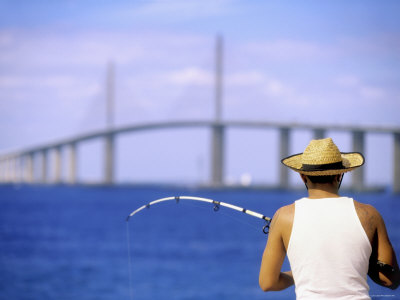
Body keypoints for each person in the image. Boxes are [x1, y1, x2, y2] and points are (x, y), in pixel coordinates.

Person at [259, 137, 399, 299]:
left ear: (303, 176)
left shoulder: (283, 216)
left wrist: (299, 273)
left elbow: (267, 283)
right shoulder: (369, 215)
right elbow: (391, 280)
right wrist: (362, 262)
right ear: (340, 175)